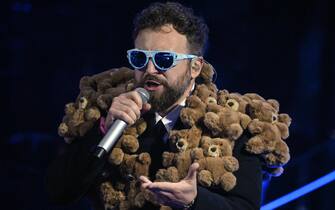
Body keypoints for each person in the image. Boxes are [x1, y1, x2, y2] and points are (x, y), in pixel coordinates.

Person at [46, 2, 263, 210]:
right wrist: (103, 129)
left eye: (164, 59)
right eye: (140, 58)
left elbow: (246, 206)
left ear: (195, 66)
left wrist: (194, 201)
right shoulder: (109, 113)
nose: (150, 69)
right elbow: (58, 192)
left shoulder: (229, 125)